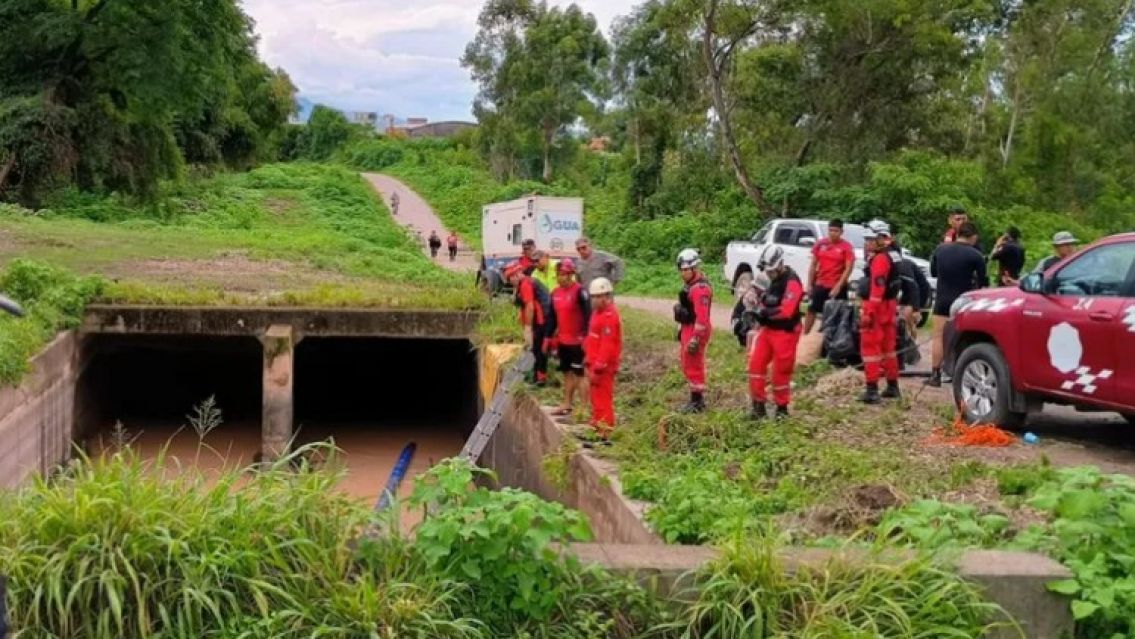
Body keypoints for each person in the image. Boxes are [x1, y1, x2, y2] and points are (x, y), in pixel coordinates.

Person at [747, 245, 805, 420]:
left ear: (780, 264)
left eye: (772, 271)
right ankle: (758, 406)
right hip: (768, 329)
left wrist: (765, 313)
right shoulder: (769, 279)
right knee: (755, 365)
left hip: (785, 332)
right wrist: (754, 303)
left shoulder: (793, 282)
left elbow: (786, 311)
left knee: (781, 371)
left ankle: (782, 408)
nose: (770, 274)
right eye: (768, 271)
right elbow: (761, 297)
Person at [928, 221, 987, 387]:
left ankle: (935, 374)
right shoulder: (976, 256)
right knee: (962, 338)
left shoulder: (941, 249)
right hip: (963, 301)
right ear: (973, 236)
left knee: (938, 337)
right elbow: (982, 282)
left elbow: (933, 272)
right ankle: (959, 375)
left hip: (942, 299)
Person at [859, 220, 902, 404]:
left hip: (877, 307)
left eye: (870, 239)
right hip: (889, 306)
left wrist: (868, 312)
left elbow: (877, 288)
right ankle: (892, 386)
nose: (866, 243)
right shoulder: (893, 254)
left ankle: (871, 389)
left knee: (870, 349)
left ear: (880, 238)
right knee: (888, 349)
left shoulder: (880, 259)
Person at [583, 277, 622, 444]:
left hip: (603, 367)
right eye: (593, 297)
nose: (594, 300)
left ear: (606, 296)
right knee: (595, 399)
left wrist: (598, 368)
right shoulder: (597, 314)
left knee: (603, 399)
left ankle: (604, 434)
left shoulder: (609, 317)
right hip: (593, 363)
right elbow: (592, 339)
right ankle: (596, 428)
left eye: (598, 297)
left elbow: (607, 346)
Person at [549, 259, 590, 417]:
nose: (560, 278)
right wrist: (549, 337)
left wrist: (587, 337)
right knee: (567, 372)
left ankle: (584, 408)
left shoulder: (580, 292)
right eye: (558, 274)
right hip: (563, 341)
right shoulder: (555, 293)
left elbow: (588, 316)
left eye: (564, 274)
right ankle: (567, 403)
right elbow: (552, 318)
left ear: (571, 275)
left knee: (580, 374)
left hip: (578, 341)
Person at [673, 248, 712, 413]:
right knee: (686, 362)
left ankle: (698, 401)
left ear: (694, 268)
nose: (683, 273)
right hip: (688, 327)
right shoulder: (690, 285)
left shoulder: (700, 289)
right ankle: (694, 398)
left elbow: (702, 318)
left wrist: (696, 338)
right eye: (681, 270)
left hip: (696, 329)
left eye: (686, 270)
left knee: (693, 363)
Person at [505, 262, 556, 387]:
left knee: (538, 349)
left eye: (510, 278)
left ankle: (540, 379)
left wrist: (528, 328)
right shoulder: (523, 284)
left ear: (516, 275)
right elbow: (523, 305)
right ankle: (536, 376)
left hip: (543, 320)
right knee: (535, 349)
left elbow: (530, 307)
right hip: (541, 319)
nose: (510, 282)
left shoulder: (526, 284)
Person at [804, 219, 855, 335]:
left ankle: (834, 340)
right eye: (830, 230)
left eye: (836, 231)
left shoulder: (846, 247)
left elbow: (848, 268)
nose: (832, 233)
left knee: (837, 314)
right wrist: (809, 284)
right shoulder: (821, 244)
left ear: (841, 231)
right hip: (821, 283)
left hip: (837, 286)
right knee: (811, 310)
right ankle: (805, 336)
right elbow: (813, 265)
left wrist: (838, 286)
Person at [731, 271, 771, 348]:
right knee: (754, 317)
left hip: (748, 320)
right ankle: (744, 341)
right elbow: (752, 314)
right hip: (739, 321)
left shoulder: (762, 295)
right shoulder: (750, 296)